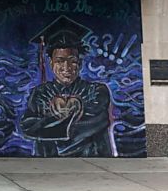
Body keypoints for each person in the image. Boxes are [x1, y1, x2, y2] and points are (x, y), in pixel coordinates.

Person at [21, 15, 115, 157]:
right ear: (51, 64)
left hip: (91, 162)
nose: (66, 67)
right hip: (47, 162)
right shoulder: (40, 93)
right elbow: (27, 127)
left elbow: (95, 121)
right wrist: (57, 111)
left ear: (80, 63)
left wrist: (75, 105)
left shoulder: (97, 91)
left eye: (72, 61)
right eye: (60, 61)